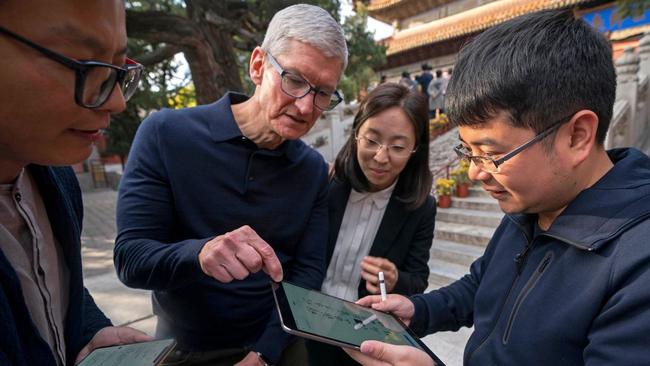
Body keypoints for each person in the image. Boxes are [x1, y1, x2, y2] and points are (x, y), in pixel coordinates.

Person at [347, 9, 650, 366]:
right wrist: (417, 309)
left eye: (491, 154)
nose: (476, 174)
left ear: (577, 135)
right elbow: (481, 286)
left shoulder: (638, 262)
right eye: (468, 152)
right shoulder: (531, 205)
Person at [114, 4, 348, 366]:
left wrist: (264, 352)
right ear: (258, 66)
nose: (305, 107)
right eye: (295, 80)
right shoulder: (166, 134)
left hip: (273, 344)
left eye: (322, 93)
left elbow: (306, 274)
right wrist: (200, 254)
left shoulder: (313, 170)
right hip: (182, 347)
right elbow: (130, 258)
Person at [0, 1, 153, 365]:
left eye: (118, 69)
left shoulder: (58, 179)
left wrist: (90, 333)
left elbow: (54, 289)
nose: (116, 102)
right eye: (86, 64)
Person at [307, 83, 435, 365]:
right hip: (306, 323)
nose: (381, 157)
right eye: (372, 140)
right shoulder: (326, 183)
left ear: (415, 148)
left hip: (362, 338)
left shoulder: (421, 208)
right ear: (356, 135)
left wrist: (395, 279)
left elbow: (417, 279)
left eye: (398, 147)